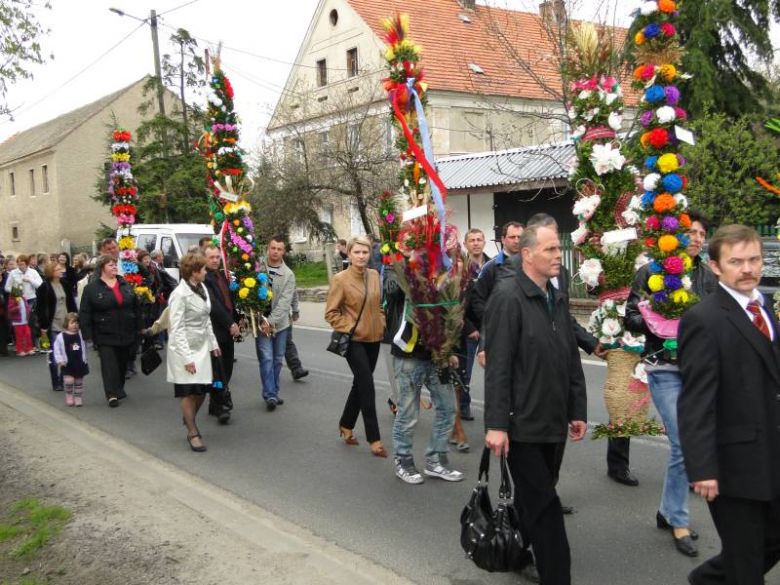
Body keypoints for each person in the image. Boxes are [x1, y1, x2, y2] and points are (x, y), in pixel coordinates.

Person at [484, 224, 587, 585]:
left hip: (553, 420)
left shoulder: (555, 297)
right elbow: (497, 367)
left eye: (559, 249)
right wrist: (496, 425)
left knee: (535, 495)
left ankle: (516, 550)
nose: (558, 255)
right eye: (550, 250)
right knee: (546, 507)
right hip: (521, 424)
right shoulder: (507, 298)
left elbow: (569, 358)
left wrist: (577, 409)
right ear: (527, 255)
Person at [678, 225, 780, 584]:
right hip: (732, 464)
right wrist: (702, 467)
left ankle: (705, 580)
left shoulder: (763, 306)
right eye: (736, 261)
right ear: (715, 267)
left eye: (753, 259)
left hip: (771, 453)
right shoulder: (703, 320)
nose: (748, 268)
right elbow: (695, 400)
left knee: (770, 542)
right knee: (746, 567)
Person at [624, 209, 717, 557]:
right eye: (690, 231)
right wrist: (658, 318)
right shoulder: (651, 272)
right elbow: (630, 317)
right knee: (682, 444)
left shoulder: (709, 276)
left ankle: (666, 510)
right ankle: (679, 520)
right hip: (663, 367)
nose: (696, 238)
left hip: (700, 370)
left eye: (701, 232)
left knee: (696, 441)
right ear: (676, 236)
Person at [385, 258, 463, 484]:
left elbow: (450, 316)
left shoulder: (444, 277)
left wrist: (450, 351)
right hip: (409, 356)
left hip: (438, 357)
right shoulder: (398, 271)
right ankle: (403, 459)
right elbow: (392, 291)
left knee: (448, 408)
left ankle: (435, 460)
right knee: (408, 414)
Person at [325, 236, 387, 457]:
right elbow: (331, 313)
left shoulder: (373, 275)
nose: (361, 256)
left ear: (370, 254)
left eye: (365, 252)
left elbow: (378, 304)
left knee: (359, 384)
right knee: (367, 386)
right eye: (357, 252)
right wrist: (352, 327)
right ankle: (375, 439)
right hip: (353, 341)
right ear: (349, 254)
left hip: (374, 338)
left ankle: (346, 424)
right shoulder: (340, 279)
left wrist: (381, 322)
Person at [167, 253, 221, 453]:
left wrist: (213, 343)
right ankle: (192, 432)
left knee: (203, 390)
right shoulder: (179, 294)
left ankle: (188, 417)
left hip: (202, 346)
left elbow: (206, 318)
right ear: (194, 272)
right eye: (204, 269)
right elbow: (177, 328)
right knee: (190, 393)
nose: (207, 271)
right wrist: (186, 358)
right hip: (185, 349)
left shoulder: (202, 288)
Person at [79, 255, 142, 407]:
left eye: (115, 264)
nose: (114, 267)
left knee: (121, 363)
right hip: (104, 332)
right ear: (102, 268)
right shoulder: (91, 288)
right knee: (108, 364)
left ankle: (118, 387)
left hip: (126, 331)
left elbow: (135, 306)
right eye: (110, 265)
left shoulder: (124, 283)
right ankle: (111, 394)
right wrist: (87, 334)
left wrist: (140, 325)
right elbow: (85, 312)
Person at [256, 236, 297, 410]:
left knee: (278, 360)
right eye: (273, 248)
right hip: (260, 322)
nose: (275, 252)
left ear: (284, 252)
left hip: (280, 325)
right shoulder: (257, 267)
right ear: (267, 249)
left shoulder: (288, 274)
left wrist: (271, 322)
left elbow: (284, 303)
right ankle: (270, 395)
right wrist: (261, 321)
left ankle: (273, 391)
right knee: (266, 358)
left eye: (279, 249)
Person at [457, 228, 491, 422]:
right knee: (465, 371)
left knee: (495, 370)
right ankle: (463, 406)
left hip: (490, 326)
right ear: (466, 244)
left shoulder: (493, 266)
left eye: (479, 239)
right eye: (472, 240)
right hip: (469, 327)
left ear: (484, 242)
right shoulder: (461, 268)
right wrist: (469, 328)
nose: (476, 243)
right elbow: (457, 301)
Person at [203, 245, 239, 425]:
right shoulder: (205, 279)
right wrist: (229, 323)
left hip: (227, 331)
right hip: (214, 331)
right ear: (205, 259)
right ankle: (221, 407)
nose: (216, 260)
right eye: (212, 257)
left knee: (227, 368)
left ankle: (214, 402)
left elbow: (229, 301)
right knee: (218, 370)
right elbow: (214, 305)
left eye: (217, 257)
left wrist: (237, 319)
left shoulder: (221, 276)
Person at [36, 262, 77, 391]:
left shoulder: (65, 284)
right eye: (58, 269)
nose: (61, 271)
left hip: (66, 323)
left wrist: (75, 319)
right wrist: (43, 325)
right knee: (53, 355)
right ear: (51, 272)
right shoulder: (45, 287)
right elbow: (40, 308)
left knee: (67, 354)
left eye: (61, 269)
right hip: (52, 324)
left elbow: (71, 303)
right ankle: (55, 382)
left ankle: (62, 378)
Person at [4, 254, 43, 351]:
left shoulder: (33, 272)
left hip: (31, 299)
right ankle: (22, 346)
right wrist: (17, 291)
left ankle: (33, 345)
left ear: (27, 264)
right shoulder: (13, 273)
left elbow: (40, 285)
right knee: (20, 323)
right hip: (19, 300)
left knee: (31, 322)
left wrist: (30, 280)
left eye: (23, 264)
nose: (21, 266)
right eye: (19, 264)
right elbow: (7, 287)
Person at [52, 312, 89, 407]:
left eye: (76, 323)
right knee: (69, 381)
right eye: (72, 323)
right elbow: (56, 349)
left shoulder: (80, 335)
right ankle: (69, 395)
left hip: (79, 362)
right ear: (66, 324)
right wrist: (60, 360)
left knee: (78, 382)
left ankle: (78, 397)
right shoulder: (61, 336)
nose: (75, 325)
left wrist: (89, 341)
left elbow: (86, 345)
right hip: (67, 363)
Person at [285, 289, 309, 380]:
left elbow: (293, 292)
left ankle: (296, 369)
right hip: (266, 316)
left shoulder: (288, 274)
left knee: (287, 343)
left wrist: (295, 310)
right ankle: (270, 370)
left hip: (284, 316)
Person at [8, 285, 34, 356]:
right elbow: (10, 309)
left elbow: (27, 307)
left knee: (28, 334)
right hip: (17, 322)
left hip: (25, 321)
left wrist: (28, 314)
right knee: (19, 336)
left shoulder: (23, 298)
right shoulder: (12, 299)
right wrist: (17, 307)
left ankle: (29, 349)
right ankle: (20, 350)